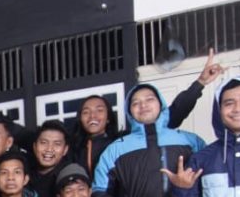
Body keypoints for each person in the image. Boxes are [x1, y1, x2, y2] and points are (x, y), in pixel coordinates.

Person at [71, 50, 224, 176]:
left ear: (109, 118)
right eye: (86, 112)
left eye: (99, 110)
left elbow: (174, 113)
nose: (93, 116)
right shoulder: (73, 148)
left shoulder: (123, 141)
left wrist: (200, 83)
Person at [27, 121, 71, 197]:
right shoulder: (22, 169)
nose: (49, 149)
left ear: (65, 150)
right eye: (44, 142)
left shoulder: (70, 175)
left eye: (57, 144)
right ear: (34, 146)